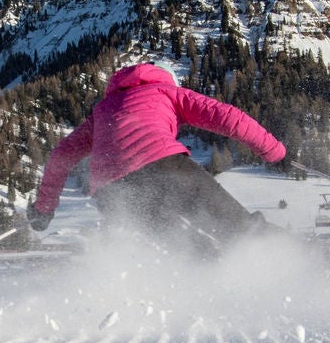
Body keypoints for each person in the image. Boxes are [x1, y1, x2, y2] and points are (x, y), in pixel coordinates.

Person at [29, 63, 288, 255]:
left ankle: (212, 297)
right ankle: (308, 260)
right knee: (238, 227)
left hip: (113, 193)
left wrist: (44, 209)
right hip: (164, 167)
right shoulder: (166, 92)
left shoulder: (102, 110)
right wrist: (273, 150)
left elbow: (62, 155)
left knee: (187, 249)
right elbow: (226, 117)